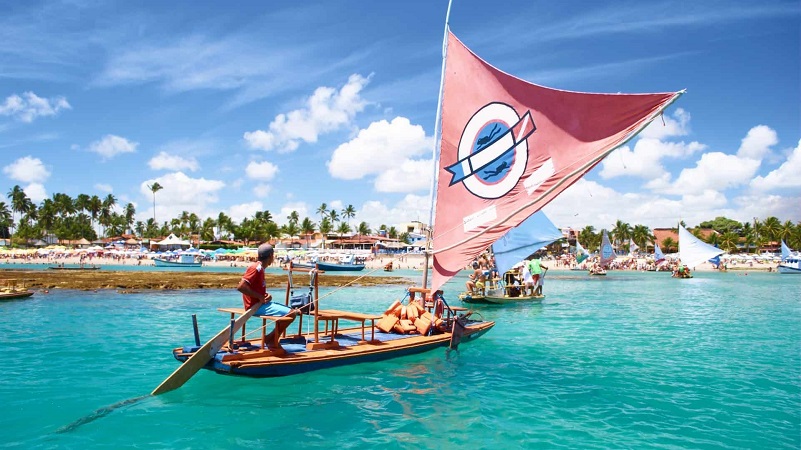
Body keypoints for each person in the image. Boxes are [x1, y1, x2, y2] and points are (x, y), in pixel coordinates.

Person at [236, 243, 298, 350]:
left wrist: (264, 296)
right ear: (270, 256)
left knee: (289, 312)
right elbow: (241, 287)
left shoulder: (260, 268)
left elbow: (254, 289)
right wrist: (260, 297)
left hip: (259, 304)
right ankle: (271, 339)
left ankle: (271, 339)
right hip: (255, 306)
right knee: (291, 314)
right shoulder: (257, 268)